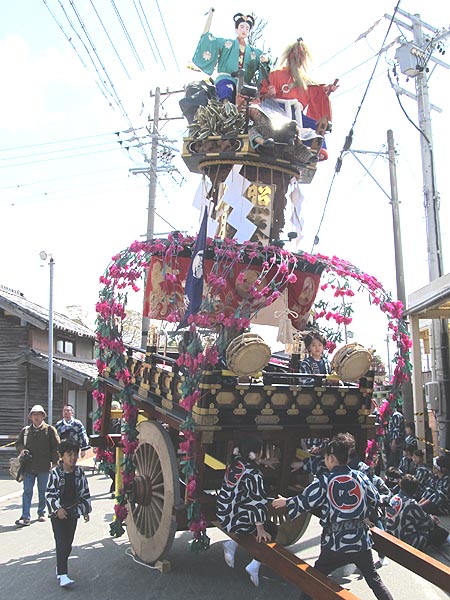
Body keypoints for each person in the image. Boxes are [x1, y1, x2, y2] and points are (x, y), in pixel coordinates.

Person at [273, 432, 394, 600]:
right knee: (374, 581)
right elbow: (375, 499)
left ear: (330, 458)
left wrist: (286, 502)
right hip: (361, 542)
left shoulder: (325, 481)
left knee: (313, 580)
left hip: (335, 544)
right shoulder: (361, 477)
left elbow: (305, 501)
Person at [260, 38, 339, 160]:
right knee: (286, 126)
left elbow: (317, 92)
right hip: (277, 109)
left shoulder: (306, 81)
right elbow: (262, 94)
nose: (297, 58)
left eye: (301, 55)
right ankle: (291, 143)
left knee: (314, 126)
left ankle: (317, 149)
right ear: (289, 55)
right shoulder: (275, 74)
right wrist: (269, 93)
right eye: (295, 54)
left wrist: (327, 89)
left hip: (297, 114)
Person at [216, 435, 277, 587]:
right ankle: (254, 565)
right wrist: (261, 529)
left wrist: (262, 461)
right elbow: (258, 502)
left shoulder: (235, 462)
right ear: (255, 453)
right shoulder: (254, 475)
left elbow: (249, 460)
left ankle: (232, 544)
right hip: (235, 519)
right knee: (271, 529)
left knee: (246, 508)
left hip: (224, 513)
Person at [192, 12, 269, 103]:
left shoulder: (254, 52)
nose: (244, 30)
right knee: (225, 90)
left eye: (247, 28)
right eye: (241, 27)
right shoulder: (226, 43)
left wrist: (267, 59)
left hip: (245, 84)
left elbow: (268, 58)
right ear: (236, 29)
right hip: (226, 78)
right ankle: (226, 106)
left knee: (253, 98)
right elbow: (208, 39)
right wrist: (210, 16)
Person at [46, 439, 91, 587]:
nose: (73, 457)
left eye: (75, 454)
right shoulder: (55, 473)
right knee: (61, 542)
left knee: (69, 543)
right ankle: (63, 574)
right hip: (58, 514)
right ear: (61, 456)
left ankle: (60, 566)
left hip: (73, 512)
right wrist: (57, 509)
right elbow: (50, 494)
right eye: (69, 454)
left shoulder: (79, 473)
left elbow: (85, 492)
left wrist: (85, 510)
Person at [15, 404, 60, 527]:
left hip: (44, 466)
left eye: (38, 414)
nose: (36, 417)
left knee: (43, 491)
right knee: (27, 491)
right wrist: (22, 450)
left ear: (43, 416)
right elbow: (18, 443)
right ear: (30, 417)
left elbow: (56, 447)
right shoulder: (26, 431)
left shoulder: (50, 430)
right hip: (28, 467)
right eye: (34, 414)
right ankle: (25, 516)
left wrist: (55, 463)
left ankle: (41, 512)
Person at [386, 474, 450, 550]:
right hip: (405, 540)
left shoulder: (394, 498)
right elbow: (428, 522)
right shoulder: (411, 504)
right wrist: (432, 519)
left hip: (391, 535)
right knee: (439, 532)